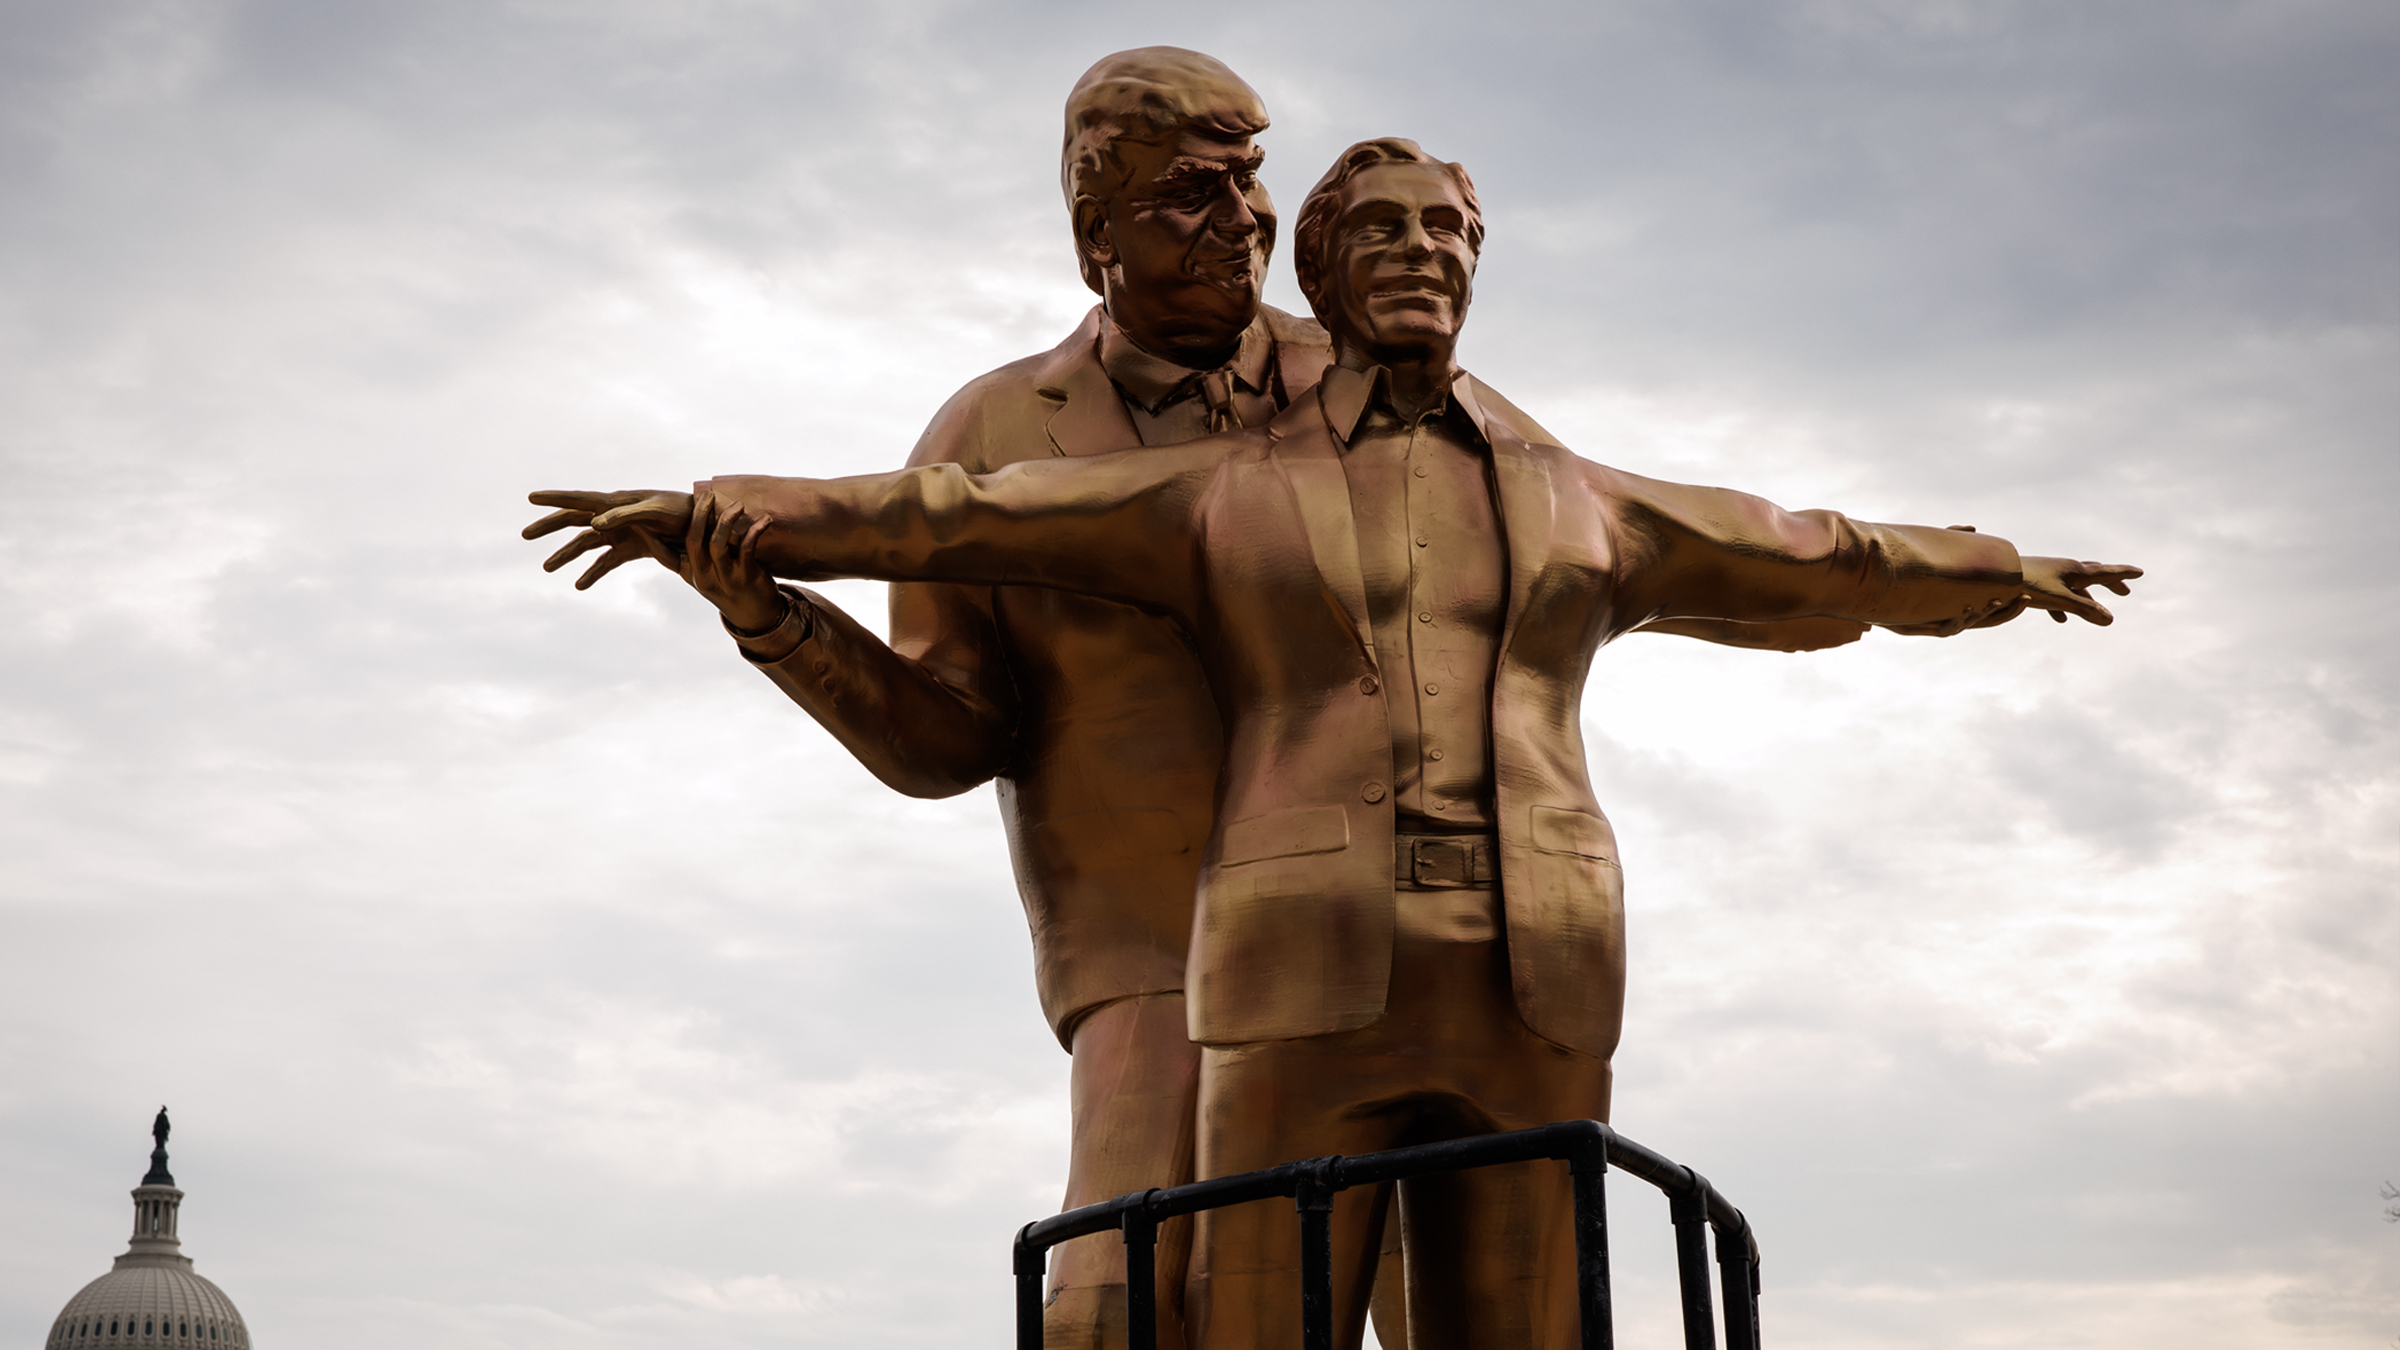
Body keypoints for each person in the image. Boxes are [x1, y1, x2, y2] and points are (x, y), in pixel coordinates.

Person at [532, 138, 2137, 1346]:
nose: (1419, 252)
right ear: (1322, 270)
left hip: (1539, 958)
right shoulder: (1220, 486)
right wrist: (725, 517)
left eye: (1446, 229)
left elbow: (1809, 552)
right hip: (1290, 959)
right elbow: (958, 514)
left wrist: (1997, 570)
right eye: (1379, 229)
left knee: (1531, 1326)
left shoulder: (1578, 491)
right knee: (1238, 1310)